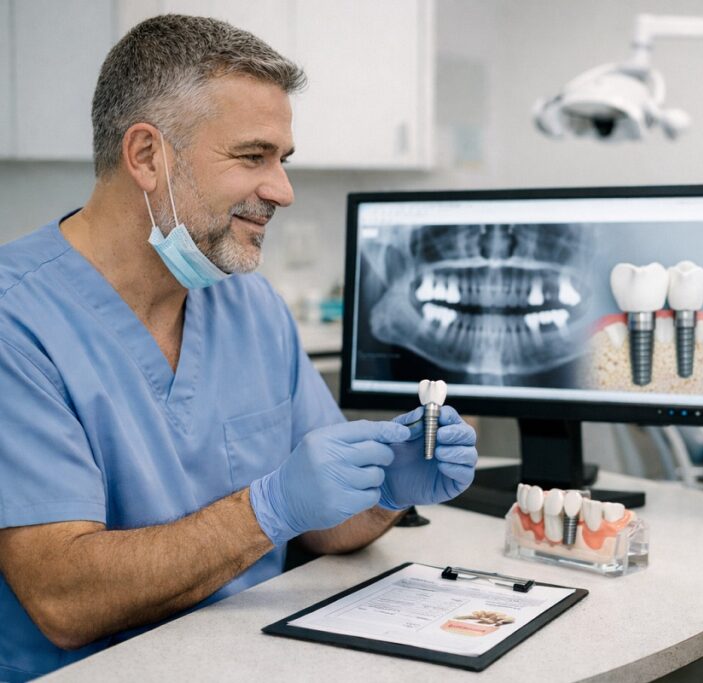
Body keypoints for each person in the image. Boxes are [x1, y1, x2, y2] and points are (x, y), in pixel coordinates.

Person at [0, 15, 477, 681]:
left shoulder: (247, 302)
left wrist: (384, 489)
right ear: (146, 157)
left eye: (282, 160)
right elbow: (61, 596)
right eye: (253, 157)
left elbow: (322, 525)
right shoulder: (16, 320)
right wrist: (267, 507)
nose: (281, 189)